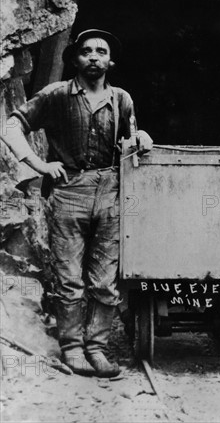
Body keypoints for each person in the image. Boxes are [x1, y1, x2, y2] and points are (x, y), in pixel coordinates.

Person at [1, 29, 153, 378]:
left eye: (102, 51)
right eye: (86, 51)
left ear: (110, 61)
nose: (94, 56)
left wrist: (140, 137)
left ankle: (96, 347)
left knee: (104, 280)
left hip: (111, 191)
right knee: (69, 277)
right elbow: (11, 125)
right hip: (70, 190)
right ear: (75, 59)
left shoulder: (121, 99)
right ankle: (72, 347)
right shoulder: (56, 94)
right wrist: (37, 164)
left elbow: (129, 139)